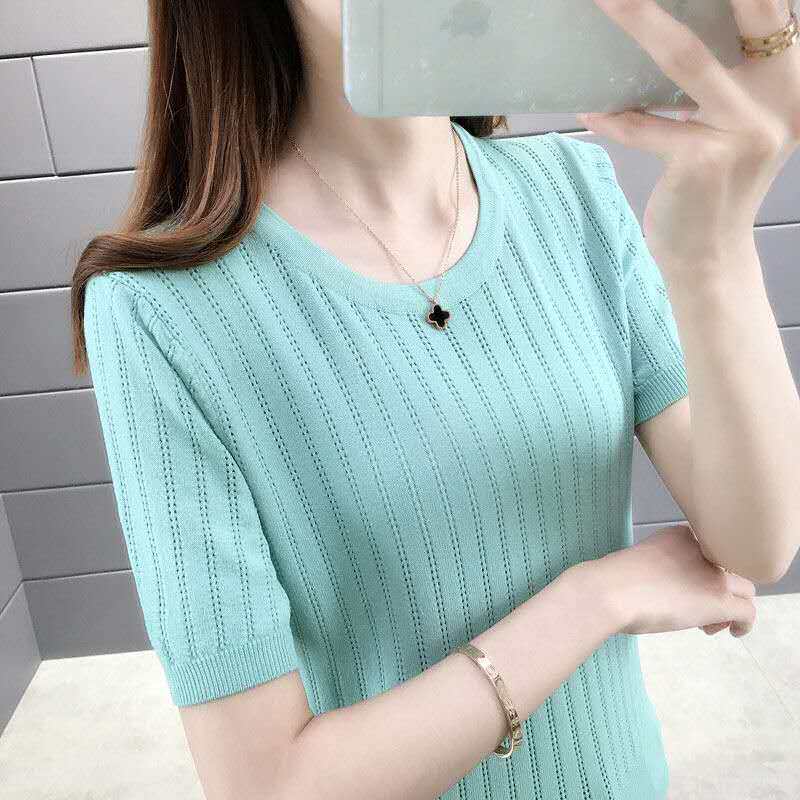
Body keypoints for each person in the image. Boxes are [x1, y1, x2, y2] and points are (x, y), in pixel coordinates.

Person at [72, 1, 800, 799]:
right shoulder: (159, 311)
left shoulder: (574, 191)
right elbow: (266, 785)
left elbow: (756, 545)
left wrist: (713, 247)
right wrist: (595, 600)